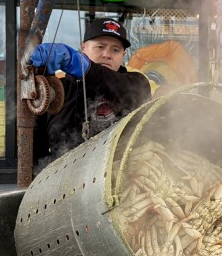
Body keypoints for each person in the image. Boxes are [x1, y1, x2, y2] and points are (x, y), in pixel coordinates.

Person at [30, 18, 151, 162]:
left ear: (123, 55)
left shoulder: (136, 84)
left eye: (115, 50)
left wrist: (82, 66)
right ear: (83, 47)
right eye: (100, 47)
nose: (107, 54)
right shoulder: (57, 91)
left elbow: (109, 81)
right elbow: (36, 150)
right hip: (63, 174)